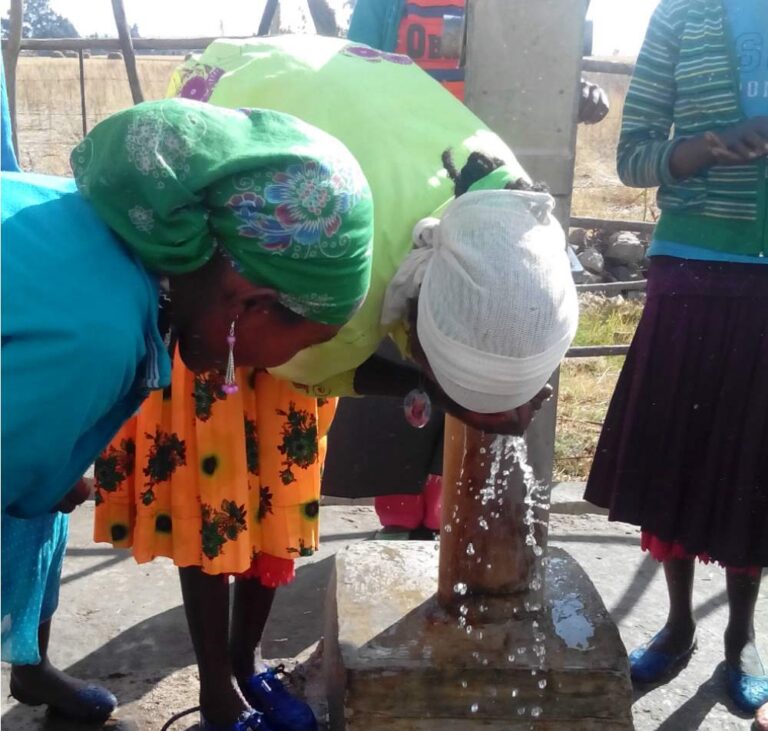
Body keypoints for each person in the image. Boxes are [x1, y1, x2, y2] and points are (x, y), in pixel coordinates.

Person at [91, 34, 578, 731]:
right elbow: (314, 356)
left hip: (298, 270)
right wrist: (432, 394)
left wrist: (456, 390)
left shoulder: (508, 220)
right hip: (217, 302)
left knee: (278, 496)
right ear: (423, 330)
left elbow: (344, 362)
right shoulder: (343, 280)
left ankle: (246, 656)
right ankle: (216, 688)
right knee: (215, 497)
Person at [2, 94, 375, 731]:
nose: (295, 365)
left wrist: (47, 469)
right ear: (252, 304)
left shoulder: (101, 247)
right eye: (306, 344)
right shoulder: (102, 333)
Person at [343, 0, 607, 536]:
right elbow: (353, 77)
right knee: (407, 344)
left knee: (484, 361)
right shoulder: (384, 4)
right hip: (405, 197)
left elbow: (542, 65)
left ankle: (451, 520)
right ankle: (400, 514)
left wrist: (566, 92)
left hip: (496, 207)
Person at [584, 0, 767, 715]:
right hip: (692, 265)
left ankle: (742, 637)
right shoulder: (682, 17)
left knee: (753, 461)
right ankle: (681, 621)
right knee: (679, 454)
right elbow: (633, 155)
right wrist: (704, 149)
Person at [347, 0, 610, 121]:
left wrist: (578, 94)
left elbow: (536, 67)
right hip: (408, 150)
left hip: (491, 152)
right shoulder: (379, 4)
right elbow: (357, 76)